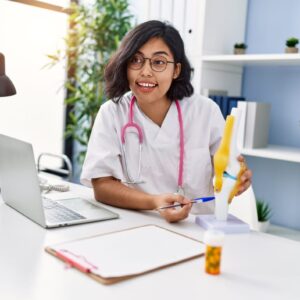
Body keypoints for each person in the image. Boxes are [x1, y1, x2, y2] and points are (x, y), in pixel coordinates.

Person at [81, 20, 252, 223]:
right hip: (135, 223)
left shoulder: (204, 111)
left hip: (197, 227)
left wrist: (236, 177)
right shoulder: (112, 113)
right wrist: (155, 202)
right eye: (136, 60)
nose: (145, 71)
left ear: (176, 70)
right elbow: (102, 186)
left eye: (159, 62)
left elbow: (226, 166)